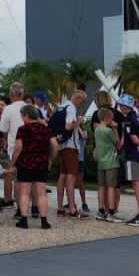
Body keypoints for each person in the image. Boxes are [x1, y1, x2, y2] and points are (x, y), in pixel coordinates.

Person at [11, 104, 55, 229]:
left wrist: (13, 162)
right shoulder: (46, 129)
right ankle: (44, 221)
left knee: (24, 192)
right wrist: (50, 158)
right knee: (41, 193)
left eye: (22, 116)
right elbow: (54, 144)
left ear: (26, 115)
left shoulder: (23, 129)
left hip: (25, 162)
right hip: (41, 163)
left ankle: (24, 220)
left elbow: (18, 147)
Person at [116, 92, 139, 226]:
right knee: (138, 184)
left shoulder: (129, 120)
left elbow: (133, 138)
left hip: (133, 155)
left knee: (137, 185)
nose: (120, 107)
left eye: (121, 105)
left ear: (126, 106)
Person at [51, 89, 87, 217]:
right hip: (70, 146)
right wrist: (79, 121)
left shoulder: (62, 106)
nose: (81, 105)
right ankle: (72, 208)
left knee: (62, 176)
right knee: (71, 178)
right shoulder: (71, 108)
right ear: (77, 99)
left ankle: (60, 207)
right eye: (82, 102)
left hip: (61, 145)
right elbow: (67, 126)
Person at [0, 83, 25, 206]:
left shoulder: (8, 109)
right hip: (31, 147)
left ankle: (11, 202)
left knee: (13, 176)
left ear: (11, 95)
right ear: (22, 94)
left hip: (14, 147)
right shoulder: (30, 107)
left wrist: (6, 139)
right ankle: (34, 207)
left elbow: (3, 129)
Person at [93, 107, 121, 222]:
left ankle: (101, 210)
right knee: (111, 187)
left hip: (101, 162)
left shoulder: (97, 129)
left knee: (101, 187)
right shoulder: (108, 131)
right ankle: (111, 211)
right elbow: (117, 143)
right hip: (111, 162)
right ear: (107, 118)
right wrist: (115, 129)